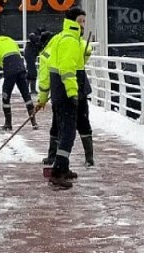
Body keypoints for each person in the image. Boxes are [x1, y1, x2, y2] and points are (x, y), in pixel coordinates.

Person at [35, 8, 86, 189]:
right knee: (68, 133)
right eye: (81, 21)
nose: (83, 25)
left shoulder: (59, 38)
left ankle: (63, 167)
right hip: (65, 93)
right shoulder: (70, 41)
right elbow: (67, 69)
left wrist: (43, 96)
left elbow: (50, 66)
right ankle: (57, 172)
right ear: (73, 22)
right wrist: (73, 93)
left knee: (64, 131)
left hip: (57, 92)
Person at [39, 28, 94, 168]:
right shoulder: (70, 40)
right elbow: (86, 52)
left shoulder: (47, 53)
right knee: (83, 121)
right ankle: (89, 157)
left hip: (61, 92)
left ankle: (53, 157)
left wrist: (43, 98)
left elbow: (45, 78)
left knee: (58, 124)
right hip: (79, 85)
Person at [0, 35, 38, 131]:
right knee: (26, 95)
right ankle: (34, 122)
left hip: (10, 70)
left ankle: (8, 124)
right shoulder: (11, 41)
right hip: (20, 68)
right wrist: (9, 69)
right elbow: (16, 55)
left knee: (6, 97)